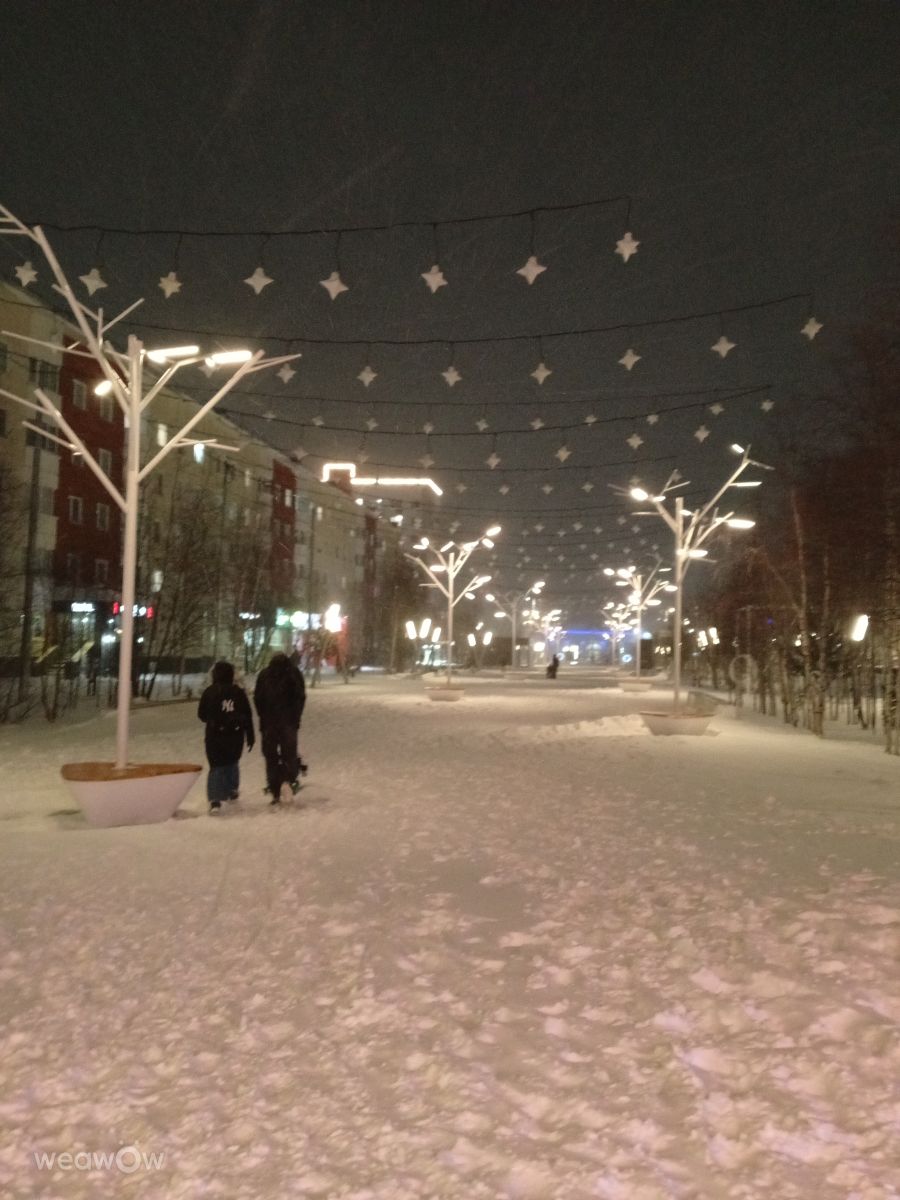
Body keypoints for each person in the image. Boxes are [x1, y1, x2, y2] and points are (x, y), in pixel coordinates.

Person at [197, 661, 255, 813]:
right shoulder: (238, 692)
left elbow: (201, 714)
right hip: (234, 736)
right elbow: (247, 715)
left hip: (214, 736)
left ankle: (215, 800)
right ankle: (231, 791)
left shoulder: (210, 692)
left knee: (216, 766)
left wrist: (214, 719)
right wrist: (250, 735)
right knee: (232, 762)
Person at [253, 651, 307, 805]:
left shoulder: (264, 675)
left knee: (271, 757)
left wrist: (263, 715)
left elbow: (258, 698)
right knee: (289, 754)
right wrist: (296, 717)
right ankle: (288, 782)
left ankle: (274, 789)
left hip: (269, 723)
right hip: (288, 723)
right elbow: (300, 697)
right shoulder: (294, 674)